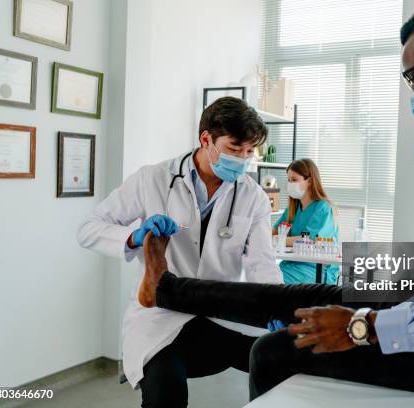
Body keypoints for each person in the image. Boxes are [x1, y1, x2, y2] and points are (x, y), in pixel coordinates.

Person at [135, 1, 414, 404]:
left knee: (272, 351)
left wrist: (360, 327)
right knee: (321, 289)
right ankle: (169, 288)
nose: (412, 89)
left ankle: (170, 289)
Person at [77, 97, 282, 408]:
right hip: (163, 316)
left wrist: (277, 307)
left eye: (249, 152)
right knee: (165, 394)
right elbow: (89, 229)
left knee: (283, 362)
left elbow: (262, 263)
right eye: (234, 148)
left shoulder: (252, 196)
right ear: (206, 139)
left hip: (222, 313)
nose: (242, 160)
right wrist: (134, 236)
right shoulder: (153, 179)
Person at [272, 158, 340, 284]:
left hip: (315, 269)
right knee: (260, 275)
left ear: (309, 181)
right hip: (290, 264)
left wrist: (279, 240)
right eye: (288, 180)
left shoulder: (323, 208)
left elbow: (309, 240)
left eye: (294, 180)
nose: (290, 184)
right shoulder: (293, 208)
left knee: (271, 281)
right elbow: (275, 231)